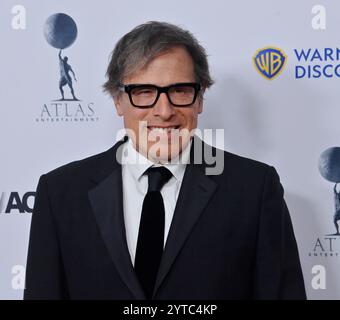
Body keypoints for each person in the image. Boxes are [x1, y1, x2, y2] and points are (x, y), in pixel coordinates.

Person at [24, 21, 306, 300]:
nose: (164, 110)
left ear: (200, 98)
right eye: (144, 92)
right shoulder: (61, 193)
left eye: (180, 90)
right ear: (117, 100)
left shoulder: (254, 189)